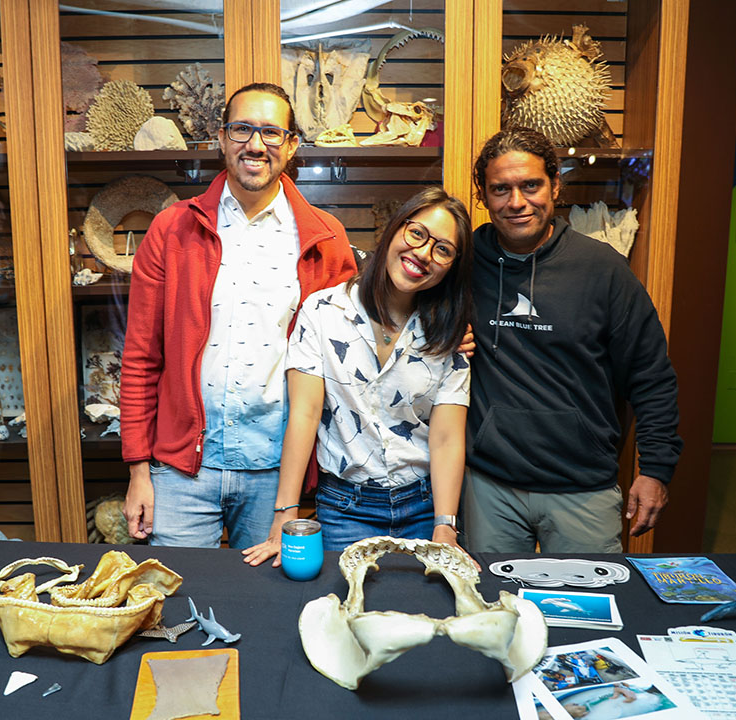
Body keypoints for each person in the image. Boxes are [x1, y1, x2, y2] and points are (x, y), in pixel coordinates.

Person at [119, 82, 357, 549]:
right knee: (176, 600)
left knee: (269, 608)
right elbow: (141, 357)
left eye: (271, 132)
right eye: (242, 129)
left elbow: (355, 348)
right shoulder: (171, 230)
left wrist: (442, 335)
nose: (255, 144)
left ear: (291, 145)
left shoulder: (326, 238)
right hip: (182, 472)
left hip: (277, 475)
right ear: (222, 139)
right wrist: (138, 472)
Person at [462, 128, 682, 554]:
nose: (517, 202)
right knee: (495, 611)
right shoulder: (463, 264)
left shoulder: (603, 269)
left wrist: (655, 469)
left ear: (556, 185)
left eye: (531, 185)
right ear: (483, 196)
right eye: (500, 189)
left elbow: (650, 374)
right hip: (489, 486)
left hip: (582, 487)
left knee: (590, 612)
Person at [244, 187, 475, 564]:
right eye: (417, 233)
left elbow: (447, 438)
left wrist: (445, 527)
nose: (423, 254)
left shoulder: (449, 334)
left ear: (451, 267)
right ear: (395, 230)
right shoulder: (322, 311)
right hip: (345, 508)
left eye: (443, 250)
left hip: (423, 508)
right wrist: (285, 515)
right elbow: (304, 414)